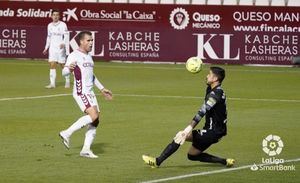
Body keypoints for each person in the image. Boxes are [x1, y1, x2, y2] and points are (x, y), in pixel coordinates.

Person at [142, 67, 235, 167]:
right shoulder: (212, 89)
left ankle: (157, 161)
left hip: (214, 132)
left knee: (181, 135)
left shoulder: (216, 94)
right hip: (213, 131)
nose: (207, 76)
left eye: (209, 74)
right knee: (192, 155)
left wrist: (189, 128)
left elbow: (202, 111)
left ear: (215, 78)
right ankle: (225, 162)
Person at [59, 31, 113, 158]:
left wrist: (102, 88)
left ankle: (86, 149)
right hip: (81, 91)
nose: (91, 43)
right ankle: (66, 133)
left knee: (96, 120)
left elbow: (91, 76)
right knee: (93, 116)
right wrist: (69, 69)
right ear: (81, 41)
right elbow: (64, 71)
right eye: (88, 40)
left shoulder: (89, 56)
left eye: (92, 40)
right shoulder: (74, 55)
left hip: (91, 92)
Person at [43, 9, 70, 89]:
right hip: (52, 48)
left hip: (60, 48)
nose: (55, 16)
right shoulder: (49, 25)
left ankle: (67, 81)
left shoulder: (63, 25)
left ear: (59, 16)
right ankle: (52, 84)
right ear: (51, 16)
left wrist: (63, 43)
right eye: (54, 15)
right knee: (52, 64)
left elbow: (66, 36)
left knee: (62, 65)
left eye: (57, 15)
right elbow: (48, 37)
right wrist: (46, 47)